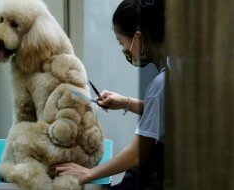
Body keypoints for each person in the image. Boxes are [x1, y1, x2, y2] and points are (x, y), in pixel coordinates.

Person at [52, 0, 166, 189]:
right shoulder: (176, 68)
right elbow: (164, 113)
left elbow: (138, 154)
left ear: (138, 38)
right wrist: (125, 102)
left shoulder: (160, 85)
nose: (123, 49)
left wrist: (87, 174)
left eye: (121, 42)